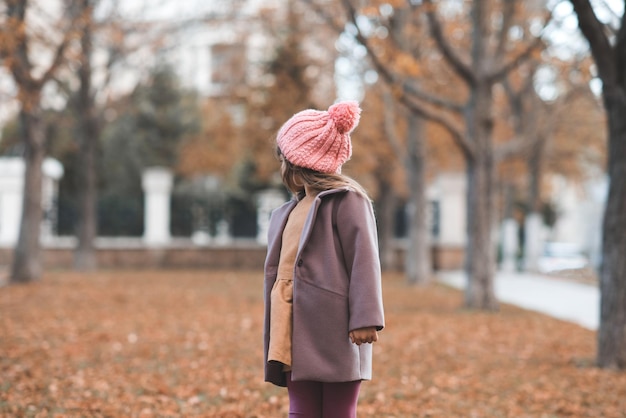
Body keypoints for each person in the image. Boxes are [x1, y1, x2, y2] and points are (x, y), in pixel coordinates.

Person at [263, 100, 385, 418]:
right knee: (300, 408)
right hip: (291, 319)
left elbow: (364, 260)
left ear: (296, 162)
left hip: (334, 323)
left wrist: (365, 318)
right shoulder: (290, 210)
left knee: (337, 410)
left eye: (283, 159)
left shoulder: (348, 201)